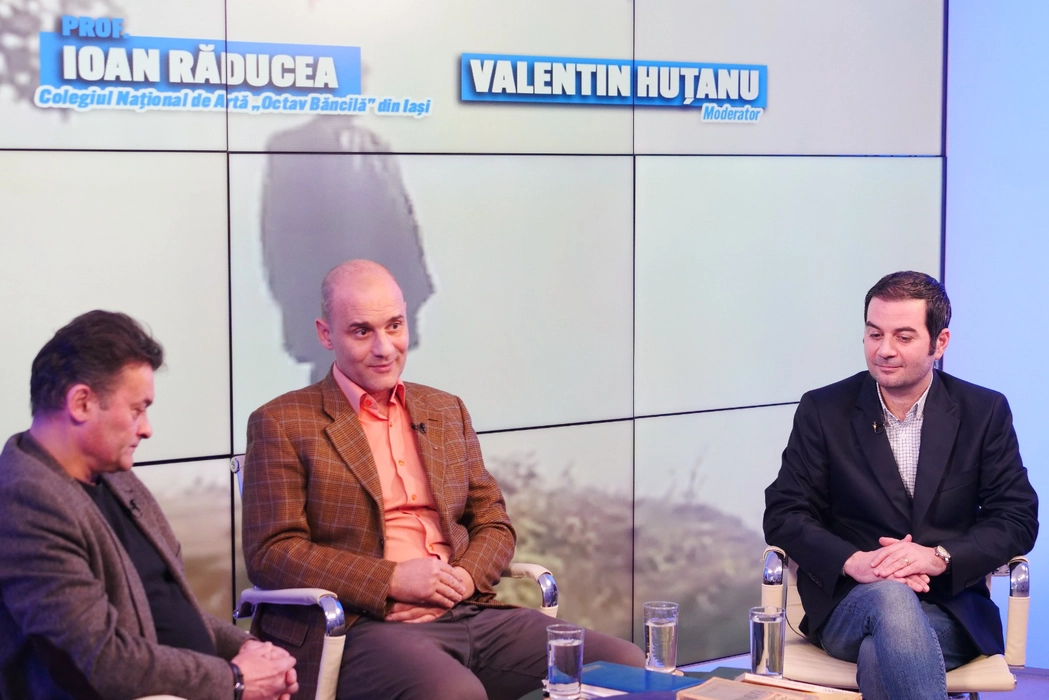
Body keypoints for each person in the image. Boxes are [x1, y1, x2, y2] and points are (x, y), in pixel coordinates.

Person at [243, 259, 645, 700]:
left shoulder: (444, 410)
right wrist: (391, 580)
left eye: (394, 326)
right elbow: (272, 553)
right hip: (365, 625)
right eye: (361, 331)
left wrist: (465, 579)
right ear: (326, 334)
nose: (384, 348)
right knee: (454, 693)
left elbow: (493, 521)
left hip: (467, 609)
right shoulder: (283, 422)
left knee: (622, 665)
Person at [763, 271, 1038, 700]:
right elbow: (784, 513)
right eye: (874, 334)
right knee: (891, 598)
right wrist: (854, 561)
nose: (884, 350)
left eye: (903, 337)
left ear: (939, 343)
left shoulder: (983, 411)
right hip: (850, 601)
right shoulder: (824, 409)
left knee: (880, 656)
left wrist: (938, 557)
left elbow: (1017, 517)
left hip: (950, 607)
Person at [0, 310, 299, 700]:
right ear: (82, 403)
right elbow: (101, 661)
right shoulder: (26, 502)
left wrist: (253, 653)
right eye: (137, 409)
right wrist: (236, 680)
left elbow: (169, 607)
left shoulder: (115, 474)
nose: (146, 429)